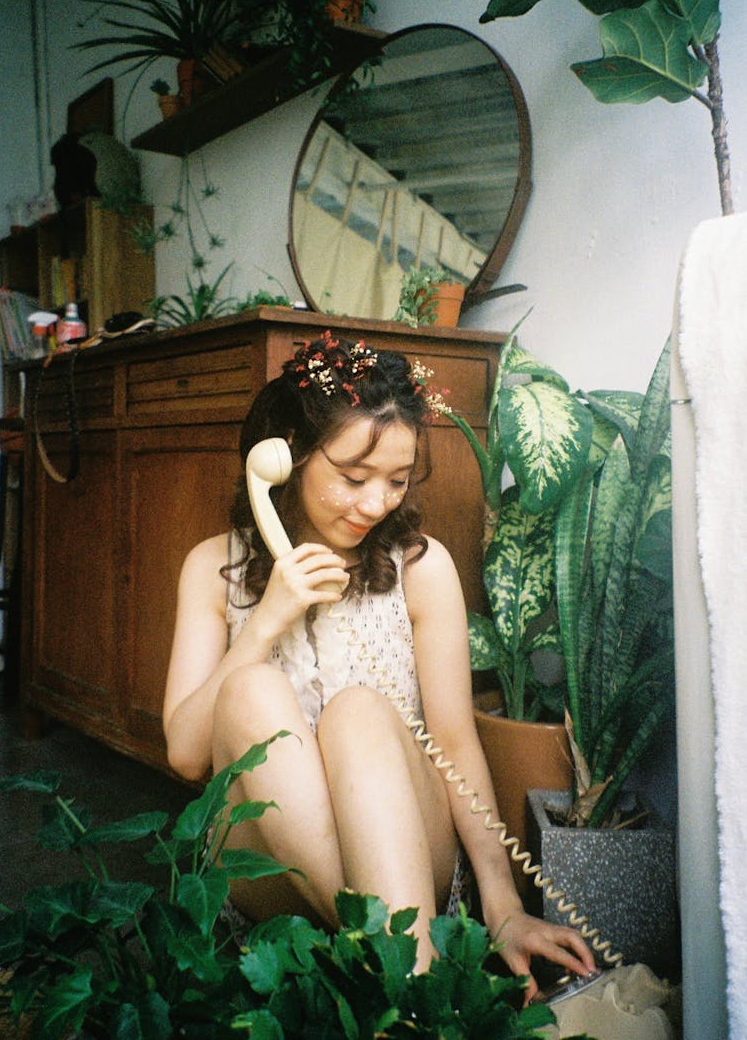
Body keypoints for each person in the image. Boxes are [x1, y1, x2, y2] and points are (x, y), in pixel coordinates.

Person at [162, 331, 595, 999]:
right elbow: (188, 756)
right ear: (285, 459)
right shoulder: (209, 567)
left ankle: (403, 986)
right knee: (251, 689)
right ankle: (416, 973)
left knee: (360, 710)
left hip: (406, 847)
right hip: (266, 866)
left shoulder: (420, 570)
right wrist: (269, 616)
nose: (374, 504)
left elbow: (453, 742)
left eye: (395, 481)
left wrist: (502, 903)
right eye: (352, 478)